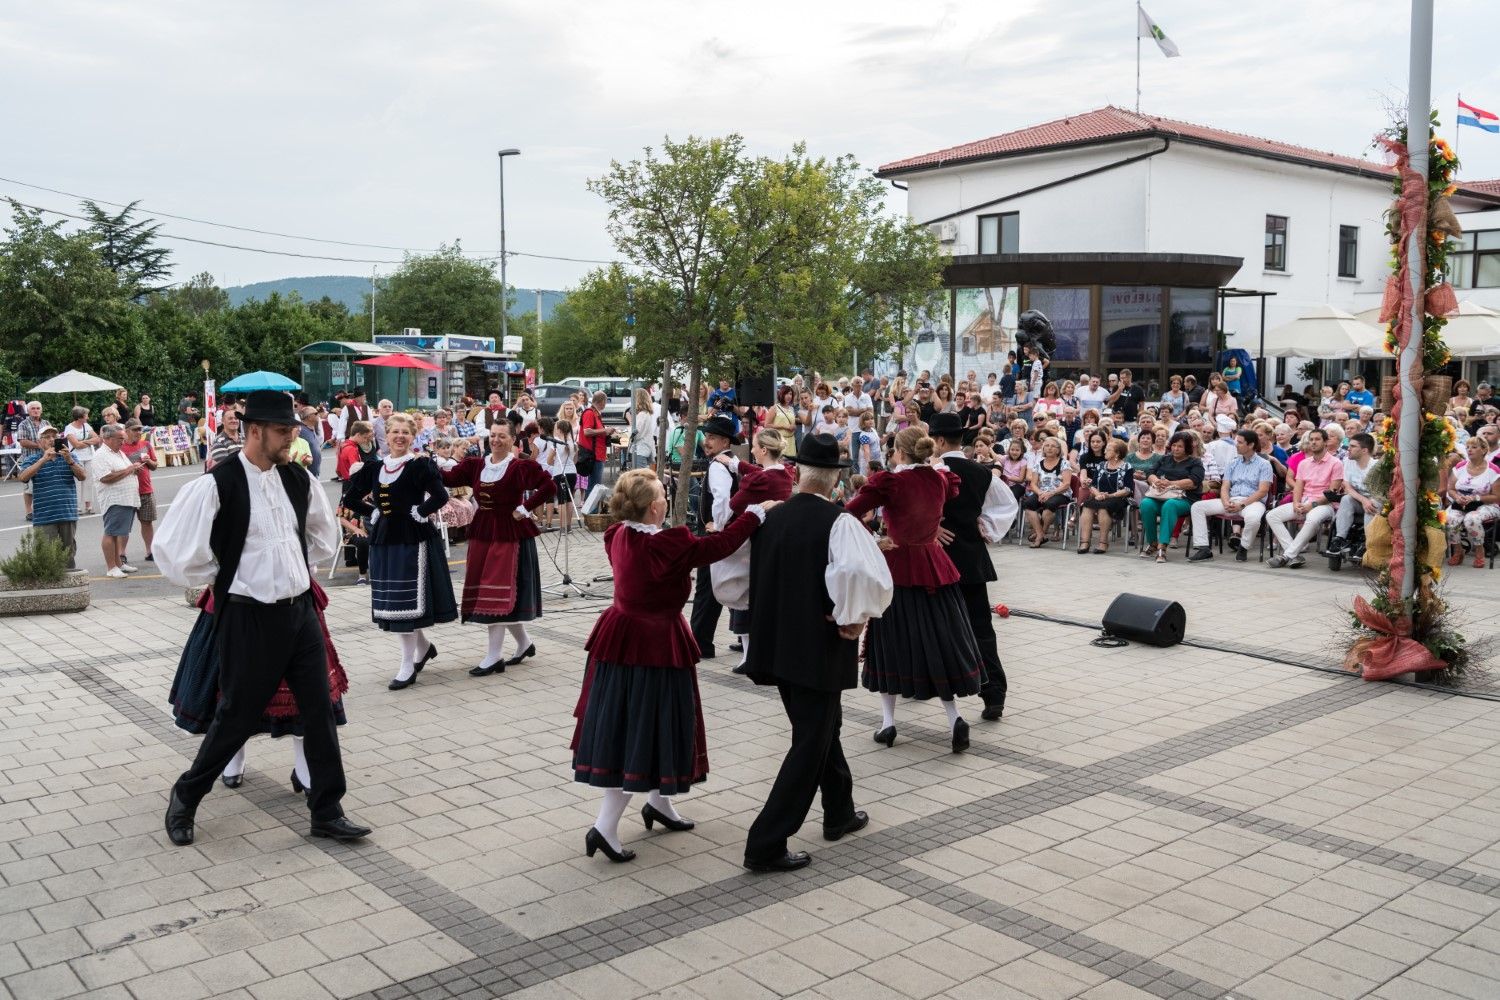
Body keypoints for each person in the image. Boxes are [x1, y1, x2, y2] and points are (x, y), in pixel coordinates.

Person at [155, 390, 369, 847]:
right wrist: (228, 577)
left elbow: (323, 536)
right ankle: (186, 794)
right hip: (248, 617)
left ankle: (327, 810)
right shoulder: (218, 483)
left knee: (319, 713)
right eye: (283, 430)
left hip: (300, 613)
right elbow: (174, 552)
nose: (294, 437)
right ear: (255, 431)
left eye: (293, 428)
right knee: (236, 715)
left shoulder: (298, 479)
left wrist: (292, 569)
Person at [570, 471, 778, 863]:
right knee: (639, 732)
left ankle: (659, 804)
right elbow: (720, 545)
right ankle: (605, 826)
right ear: (654, 507)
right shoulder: (671, 543)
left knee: (642, 726)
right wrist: (754, 515)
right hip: (654, 644)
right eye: (664, 494)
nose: (667, 498)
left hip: (619, 637)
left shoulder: (616, 535)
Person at [741, 434, 892, 873]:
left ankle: (840, 810)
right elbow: (864, 577)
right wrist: (855, 618)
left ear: (796, 472)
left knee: (824, 726)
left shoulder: (770, 517)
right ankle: (765, 841)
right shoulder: (839, 521)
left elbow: (736, 577)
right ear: (834, 480)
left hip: (776, 643)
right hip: (818, 645)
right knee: (810, 739)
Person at [845, 427, 982, 752]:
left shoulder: (891, 482)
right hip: (935, 567)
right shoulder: (940, 478)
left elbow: (848, 512)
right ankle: (954, 719)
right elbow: (944, 494)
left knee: (889, 643)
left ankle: (888, 724)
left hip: (899, 568)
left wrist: (874, 538)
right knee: (941, 641)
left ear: (900, 453)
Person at [169, 577, 349, 797]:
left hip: (294, 599)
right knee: (234, 690)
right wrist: (214, 578)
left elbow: (317, 547)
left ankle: (306, 772)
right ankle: (232, 759)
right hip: (239, 601)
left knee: (307, 695)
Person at [340, 413, 458, 689]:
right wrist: (374, 512)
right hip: (384, 539)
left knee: (406, 603)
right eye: (395, 432)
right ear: (386, 435)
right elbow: (350, 498)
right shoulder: (372, 468)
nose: (400, 437)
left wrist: (421, 511)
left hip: (412, 538)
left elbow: (441, 496)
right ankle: (424, 648)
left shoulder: (420, 465)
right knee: (394, 603)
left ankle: (407, 665)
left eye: (406, 432)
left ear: (413, 436)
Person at [441, 423, 556, 675]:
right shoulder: (476, 465)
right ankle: (524, 643)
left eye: (502, 436)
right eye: (492, 435)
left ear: (513, 440)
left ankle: (494, 656)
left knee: (498, 591)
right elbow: (448, 478)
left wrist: (525, 508)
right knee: (491, 592)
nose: (495, 440)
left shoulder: (519, 467)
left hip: (509, 533)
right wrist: (428, 465)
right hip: (483, 530)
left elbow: (550, 486)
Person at [930, 413, 1017, 720]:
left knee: (932, 626)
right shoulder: (981, 472)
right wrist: (988, 528)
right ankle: (993, 695)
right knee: (980, 629)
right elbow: (1008, 504)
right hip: (971, 559)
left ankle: (925, 684)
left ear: (939, 440)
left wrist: (930, 528)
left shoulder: (931, 471)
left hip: (936, 560)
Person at [712, 429, 796, 672]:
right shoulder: (785, 473)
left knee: (744, 596)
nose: (751, 449)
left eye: (755, 446)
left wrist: (719, 525)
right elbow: (763, 471)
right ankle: (767, 651)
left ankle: (750, 655)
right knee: (768, 595)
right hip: (776, 540)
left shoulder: (758, 480)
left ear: (764, 450)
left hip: (755, 540)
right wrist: (736, 464)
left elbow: (735, 504)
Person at [689, 416, 738, 660]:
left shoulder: (719, 466)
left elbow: (723, 499)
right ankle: (743, 634)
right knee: (734, 582)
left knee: (707, 588)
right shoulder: (733, 461)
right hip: (729, 534)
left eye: (711, 438)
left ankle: (699, 643)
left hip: (715, 535)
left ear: (725, 441)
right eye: (706, 437)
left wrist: (718, 525)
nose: (706, 442)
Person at [1186, 430, 1273, 562]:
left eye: (1240, 442)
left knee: (1254, 518)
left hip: (1252, 502)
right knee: (1197, 507)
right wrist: (1226, 501)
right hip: (1231, 500)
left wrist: (1242, 504)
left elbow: (1263, 491)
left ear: (1251, 445)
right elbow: (1225, 486)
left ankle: (1243, 547)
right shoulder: (1233, 463)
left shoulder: (1264, 464)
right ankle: (1203, 548)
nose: (1236, 445)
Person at [1266, 428, 1343, 568]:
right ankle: (1294, 555)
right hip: (1304, 501)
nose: (1313, 442)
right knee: (1272, 515)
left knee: (1312, 518)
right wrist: (1296, 503)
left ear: (1326, 442)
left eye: (1317, 439)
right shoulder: (1304, 463)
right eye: (1311, 439)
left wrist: (1312, 505)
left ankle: (1286, 555)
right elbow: (1298, 487)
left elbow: (1331, 493)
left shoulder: (1336, 463)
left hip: (1325, 505)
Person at [16, 427, 86, 568]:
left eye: (54, 436)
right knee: (45, 557)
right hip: (45, 516)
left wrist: (69, 460)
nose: (51, 439)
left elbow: (82, 476)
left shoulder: (68, 456)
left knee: (68, 554)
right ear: (39, 442)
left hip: (67, 514)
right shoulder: (33, 459)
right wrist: (43, 459)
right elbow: (23, 477)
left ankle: (68, 587)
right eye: (47, 437)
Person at [1139, 431, 1205, 563]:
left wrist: (1171, 484)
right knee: (1146, 504)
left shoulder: (1195, 462)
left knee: (1170, 505)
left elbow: (1193, 482)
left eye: (1180, 446)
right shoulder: (1165, 459)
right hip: (1161, 496)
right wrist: (1155, 481)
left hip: (1185, 499)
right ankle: (1152, 542)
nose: (1176, 449)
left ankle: (1162, 546)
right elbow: (1150, 473)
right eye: (1174, 445)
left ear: (1187, 447)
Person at [91, 426, 144, 578]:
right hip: (114, 499)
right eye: (120, 438)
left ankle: (118, 564)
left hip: (126, 498)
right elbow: (105, 478)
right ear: (107, 439)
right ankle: (111, 567)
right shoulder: (101, 455)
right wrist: (129, 470)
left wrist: (133, 469)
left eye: (123, 438)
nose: (123, 441)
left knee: (118, 533)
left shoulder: (117, 452)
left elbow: (124, 470)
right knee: (111, 532)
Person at [1444, 436, 1500, 568]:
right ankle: (1458, 550)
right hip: (1461, 503)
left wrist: (1476, 498)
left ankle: (1480, 550)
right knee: (1450, 519)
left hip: (1486, 504)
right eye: (1468, 447)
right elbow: (1450, 489)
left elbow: (1497, 497)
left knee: (1471, 519)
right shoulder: (1460, 467)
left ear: (1484, 450)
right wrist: (1457, 497)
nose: (1469, 450)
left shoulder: (1493, 470)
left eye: (1474, 447)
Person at [1076, 438, 1134, 555]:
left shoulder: (1127, 467)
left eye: (1108, 450)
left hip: (1119, 498)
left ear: (1117, 453)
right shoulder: (1101, 465)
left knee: (1104, 508)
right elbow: (1092, 485)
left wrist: (1109, 496)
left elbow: (1128, 489)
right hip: (1100, 496)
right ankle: (1085, 542)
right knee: (1087, 505)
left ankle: (1103, 543)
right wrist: (1098, 494)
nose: (1104, 452)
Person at [1330, 432, 1378, 557]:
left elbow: (1379, 493)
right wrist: (1363, 500)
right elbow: (1347, 486)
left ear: (1364, 450)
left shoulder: (1376, 467)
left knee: (1372, 503)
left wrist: (1367, 501)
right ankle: (1339, 538)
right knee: (1346, 499)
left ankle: (1367, 542)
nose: (1348, 449)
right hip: (1360, 501)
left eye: (1352, 446)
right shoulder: (1348, 461)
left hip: (1376, 503)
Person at [120, 420, 159, 563]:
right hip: (127, 490)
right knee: (124, 525)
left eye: (140, 429)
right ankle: (121, 554)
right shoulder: (120, 447)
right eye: (135, 429)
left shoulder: (146, 445)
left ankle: (150, 552)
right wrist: (131, 468)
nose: (139, 432)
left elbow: (155, 466)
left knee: (147, 522)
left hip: (145, 489)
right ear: (127, 430)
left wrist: (149, 461)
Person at [1022, 437, 1072, 547]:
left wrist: (1051, 493)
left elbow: (1066, 484)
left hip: (1060, 493)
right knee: (1028, 504)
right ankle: (1041, 534)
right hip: (1042, 492)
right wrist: (1040, 493)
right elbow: (1033, 484)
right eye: (1047, 446)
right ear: (1043, 449)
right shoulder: (1038, 464)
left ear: (1058, 450)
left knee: (1049, 505)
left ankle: (1040, 535)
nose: (1049, 448)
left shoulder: (1064, 463)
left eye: (1053, 446)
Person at [62, 406, 102, 515]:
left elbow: (97, 438)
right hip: (76, 458)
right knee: (77, 482)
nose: (88, 417)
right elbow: (76, 445)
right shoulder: (69, 428)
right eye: (86, 415)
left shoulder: (86, 425)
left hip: (89, 457)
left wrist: (84, 442)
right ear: (80, 417)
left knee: (89, 481)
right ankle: (77, 506)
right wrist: (89, 441)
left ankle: (88, 505)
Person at [16, 400, 50, 521]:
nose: (36, 410)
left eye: (38, 408)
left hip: (45, 459)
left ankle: (43, 509)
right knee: (29, 488)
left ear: (41, 410)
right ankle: (29, 511)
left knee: (45, 485)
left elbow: (52, 438)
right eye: (33, 408)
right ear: (28, 411)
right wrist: (39, 445)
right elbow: (23, 441)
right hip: (29, 460)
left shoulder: (46, 423)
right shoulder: (23, 424)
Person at [577, 391, 610, 493]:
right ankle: (591, 509)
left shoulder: (595, 414)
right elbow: (587, 431)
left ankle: (592, 508)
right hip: (593, 456)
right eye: (605, 402)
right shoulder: (589, 413)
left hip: (597, 454)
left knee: (594, 485)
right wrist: (605, 430)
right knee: (593, 487)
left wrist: (606, 432)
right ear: (602, 401)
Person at [627, 387, 657, 470]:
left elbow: (635, 434)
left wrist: (630, 421)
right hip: (644, 449)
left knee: (640, 478)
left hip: (640, 450)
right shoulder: (646, 414)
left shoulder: (642, 415)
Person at [295, 406, 324, 479]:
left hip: (314, 473)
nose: (318, 415)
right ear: (309, 417)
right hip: (306, 474)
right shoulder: (301, 431)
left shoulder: (311, 429)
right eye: (316, 413)